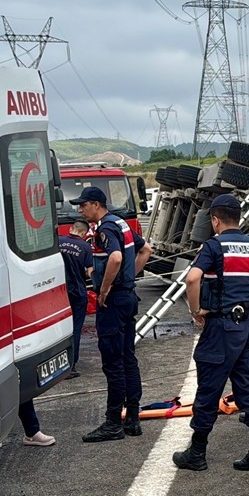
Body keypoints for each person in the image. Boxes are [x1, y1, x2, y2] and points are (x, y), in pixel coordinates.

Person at [173, 194, 249, 472]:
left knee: (209, 388)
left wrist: (196, 311)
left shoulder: (214, 246)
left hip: (221, 328)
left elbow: (192, 278)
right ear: (238, 218)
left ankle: (197, 451)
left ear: (215, 220)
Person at [73, 186, 153, 443]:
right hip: (128, 297)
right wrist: (130, 279)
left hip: (115, 301)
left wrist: (106, 289)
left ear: (96, 204)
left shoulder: (106, 228)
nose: (80, 210)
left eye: (83, 205)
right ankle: (132, 418)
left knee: (113, 362)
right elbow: (146, 250)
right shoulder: (121, 223)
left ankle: (112, 422)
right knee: (128, 357)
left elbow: (116, 258)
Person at [59, 220, 94, 379]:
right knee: (75, 328)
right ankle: (71, 365)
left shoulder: (58, 241)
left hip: (59, 292)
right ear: (83, 233)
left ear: (71, 229)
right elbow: (89, 272)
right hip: (78, 292)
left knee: (59, 329)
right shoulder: (86, 247)